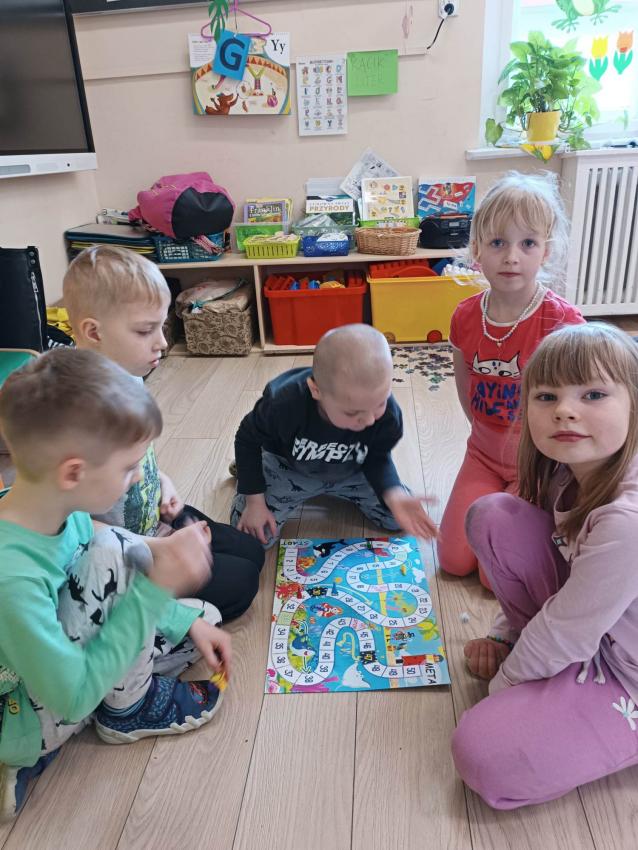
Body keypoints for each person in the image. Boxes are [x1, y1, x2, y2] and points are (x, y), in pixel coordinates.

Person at [0, 348, 232, 821]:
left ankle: (126, 679)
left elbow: (109, 571)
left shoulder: (47, 507)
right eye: (128, 467)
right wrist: (155, 590)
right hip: (22, 714)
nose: (138, 477)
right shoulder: (12, 577)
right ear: (74, 472)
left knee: (202, 618)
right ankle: (128, 711)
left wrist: (183, 619)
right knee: (113, 550)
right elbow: (72, 696)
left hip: (51, 662)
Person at [451, 322, 638, 809]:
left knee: (483, 753)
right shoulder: (568, 466)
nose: (565, 410)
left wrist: (504, 687)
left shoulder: (628, 520)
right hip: (595, 629)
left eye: (593, 394)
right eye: (547, 396)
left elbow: (568, 631)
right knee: (494, 514)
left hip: (628, 674)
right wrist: (504, 636)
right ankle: (546, 680)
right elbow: (564, 576)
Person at [63, 246, 264, 622]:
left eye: (161, 326)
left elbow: (140, 458)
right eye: (145, 331)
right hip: (115, 551)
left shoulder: (128, 374)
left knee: (252, 552)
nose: (163, 342)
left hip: (153, 516)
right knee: (242, 582)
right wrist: (156, 548)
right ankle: (142, 619)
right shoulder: (69, 412)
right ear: (93, 332)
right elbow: (69, 526)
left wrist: (164, 484)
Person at [438, 171, 585, 588]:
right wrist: (481, 430)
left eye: (528, 244)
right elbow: (464, 382)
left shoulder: (563, 321)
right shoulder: (465, 315)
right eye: (498, 242)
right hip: (482, 455)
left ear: (546, 252)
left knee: (493, 579)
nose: (511, 257)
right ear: (476, 249)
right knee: (452, 560)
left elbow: (583, 400)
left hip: (537, 463)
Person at [230, 323, 436, 547]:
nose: (369, 420)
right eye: (352, 412)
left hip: (354, 470)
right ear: (316, 390)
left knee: (397, 518)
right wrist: (254, 500)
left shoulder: (387, 415)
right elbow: (247, 439)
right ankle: (250, 467)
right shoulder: (283, 403)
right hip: (288, 467)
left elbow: (377, 456)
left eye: (380, 403)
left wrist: (393, 493)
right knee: (254, 539)